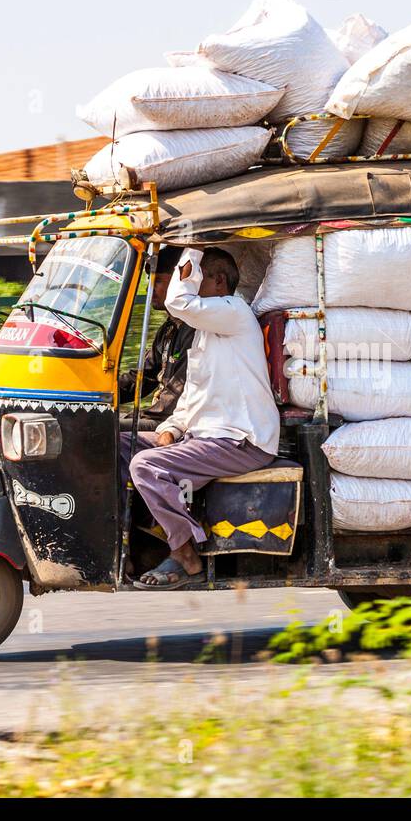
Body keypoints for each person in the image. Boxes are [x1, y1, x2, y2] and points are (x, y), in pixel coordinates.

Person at [120, 246, 280, 591]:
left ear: (219, 282)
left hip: (240, 440)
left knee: (146, 466)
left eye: (193, 277)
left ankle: (183, 552)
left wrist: (190, 243)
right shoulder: (206, 331)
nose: (187, 284)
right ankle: (138, 542)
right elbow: (193, 394)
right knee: (117, 445)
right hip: (204, 437)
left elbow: (180, 302)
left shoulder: (234, 311)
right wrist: (171, 429)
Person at [117, 245, 196, 427]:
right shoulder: (168, 329)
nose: (150, 289)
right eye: (150, 281)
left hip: (176, 421)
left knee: (111, 430)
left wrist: (136, 417)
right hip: (160, 415)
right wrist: (99, 391)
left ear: (179, 283)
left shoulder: (193, 330)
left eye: (158, 281)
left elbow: (175, 396)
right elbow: (143, 377)